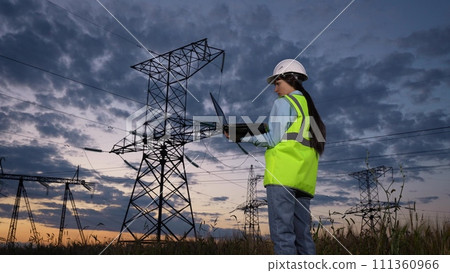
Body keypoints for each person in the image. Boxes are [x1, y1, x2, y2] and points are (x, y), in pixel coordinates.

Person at [228, 59, 326, 255]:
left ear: (289, 79)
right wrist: (250, 130)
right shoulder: (307, 108)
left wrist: (240, 137)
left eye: (277, 83)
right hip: (304, 180)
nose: (275, 90)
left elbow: (273, 139)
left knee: (283, 236)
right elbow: (286, 134)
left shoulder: (283, 103)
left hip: (282, 177)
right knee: (303, 237)